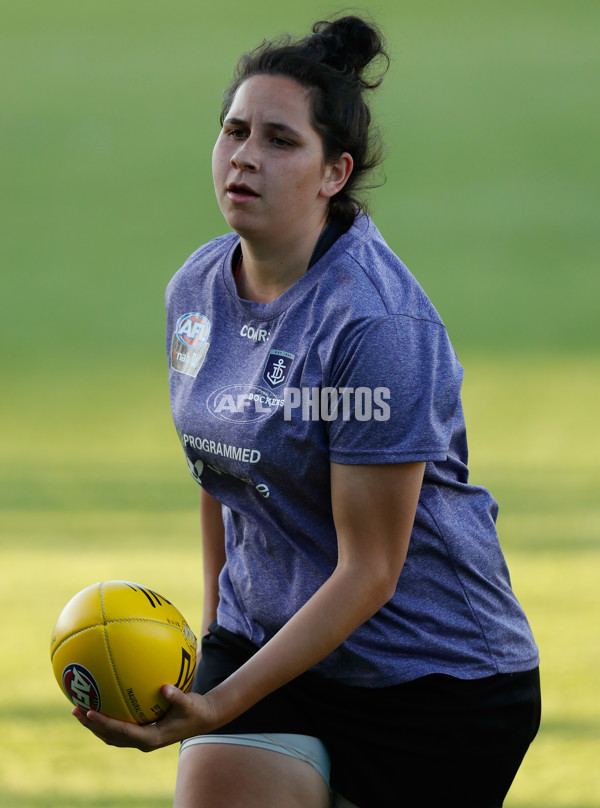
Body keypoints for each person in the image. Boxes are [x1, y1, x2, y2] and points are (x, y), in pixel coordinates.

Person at [73, 14, 541, 807]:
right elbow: (221, 465)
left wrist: (222, 700)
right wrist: (221, 639)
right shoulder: (195, 292)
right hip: (272, 642)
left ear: (334, 173)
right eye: (234, 130)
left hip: (429, 678)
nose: (245, 156)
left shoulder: (376, 328)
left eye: (280, 141)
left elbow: (371, 571)